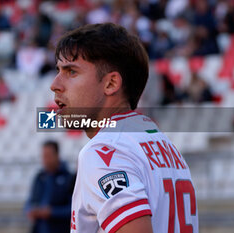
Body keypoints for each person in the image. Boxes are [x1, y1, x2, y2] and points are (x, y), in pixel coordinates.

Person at [50, 23, 198, 233]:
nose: (55, 84)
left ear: (111, 84)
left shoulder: (104, 152)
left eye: (71, 71)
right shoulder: (164, 144)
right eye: (58, 70)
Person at [25, 141, 73, 233]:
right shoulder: (39, 177)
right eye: (43, 156)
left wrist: (52, 212)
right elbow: (29, 202)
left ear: (57, 155)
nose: (45, 160)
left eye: (48, 156)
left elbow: (73, 209)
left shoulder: (69, 178)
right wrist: (31, 210)